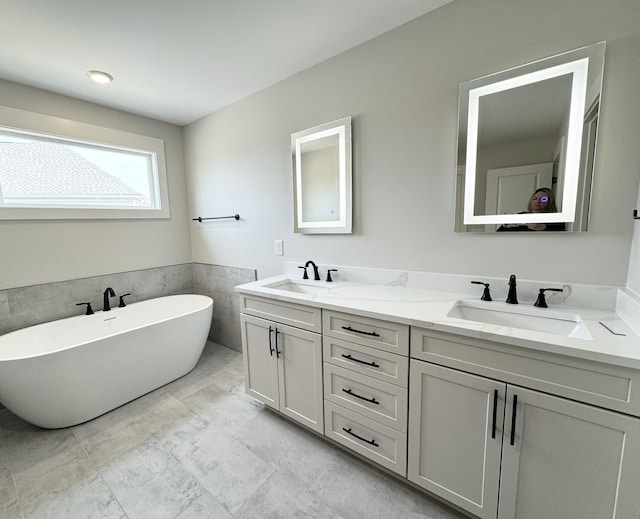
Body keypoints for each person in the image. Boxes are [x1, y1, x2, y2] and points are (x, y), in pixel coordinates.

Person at [497, 187, 566, 232]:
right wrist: (506, 227)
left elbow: (561, 230)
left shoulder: (555, 220)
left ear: (550, 202)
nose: (537, 201)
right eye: (535, 199)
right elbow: (499, 234)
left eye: (543, 199)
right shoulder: (521, 216)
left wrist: (542, 227)